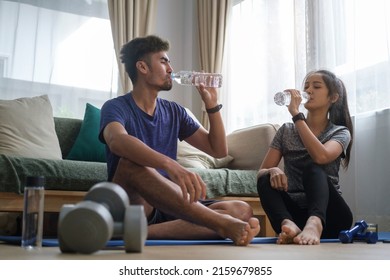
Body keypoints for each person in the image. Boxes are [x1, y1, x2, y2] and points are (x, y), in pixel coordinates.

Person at [99, 35, 260, 246]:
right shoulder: (116, 107)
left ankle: (139, 233)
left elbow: (218, 150)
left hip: (167, 204)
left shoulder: (174, 111)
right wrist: (168, 163)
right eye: (164, 61)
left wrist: (212, 105)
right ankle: (220, 224)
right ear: (142, 67)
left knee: (241, 209)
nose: (170, 68)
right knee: (130, 163)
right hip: (133, 203)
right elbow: (117, 141)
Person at [256, 69, 353, 245]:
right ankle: (288, 225)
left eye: (316, 86)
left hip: (330, 215)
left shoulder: (340, 132)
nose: (308, 91)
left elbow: (321, 157)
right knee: (264, 178)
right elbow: (261, 172)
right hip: (295, 214)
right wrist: (273, 170)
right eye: (306, 86)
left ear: (333, 98)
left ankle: (315, 223)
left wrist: (296, 115)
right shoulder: (286, 130)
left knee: (313, 167)